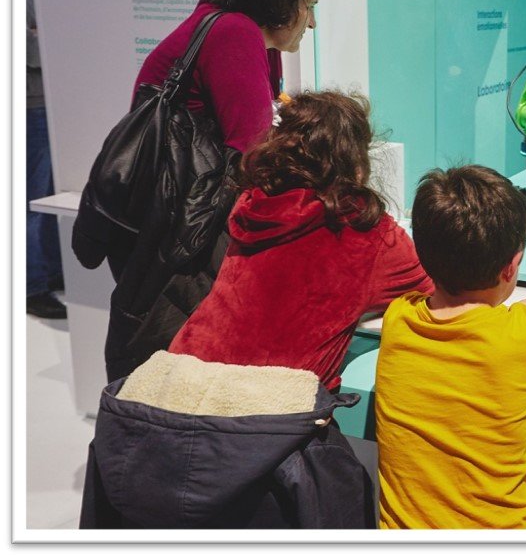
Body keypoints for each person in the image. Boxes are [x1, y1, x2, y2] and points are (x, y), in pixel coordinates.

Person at [80, 91, 431, 529]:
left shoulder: (252, 207)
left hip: (178, 392)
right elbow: (429, 287)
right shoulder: (368, 233)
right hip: (264, 427)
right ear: (356, 160)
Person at [99, 0, 332, 380]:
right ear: (279, 1)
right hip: (184, 237)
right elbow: (255, 156)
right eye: (309, 6)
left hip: (170, 224)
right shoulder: (234, 33)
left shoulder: (234, 29)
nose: (312, 23)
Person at [375, 165, 526, 529]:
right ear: (511, 267)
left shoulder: (399, 316)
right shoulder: (523, 334)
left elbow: (466, 334)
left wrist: (515, 316)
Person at [26, 0, 66, 319]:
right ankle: (32, 284)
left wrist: (42, 33)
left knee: (49, 194)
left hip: (47, 102)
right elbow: (30, 50)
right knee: (34, 198)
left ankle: (51, 271)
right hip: (29, 105)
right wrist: (42, 36)